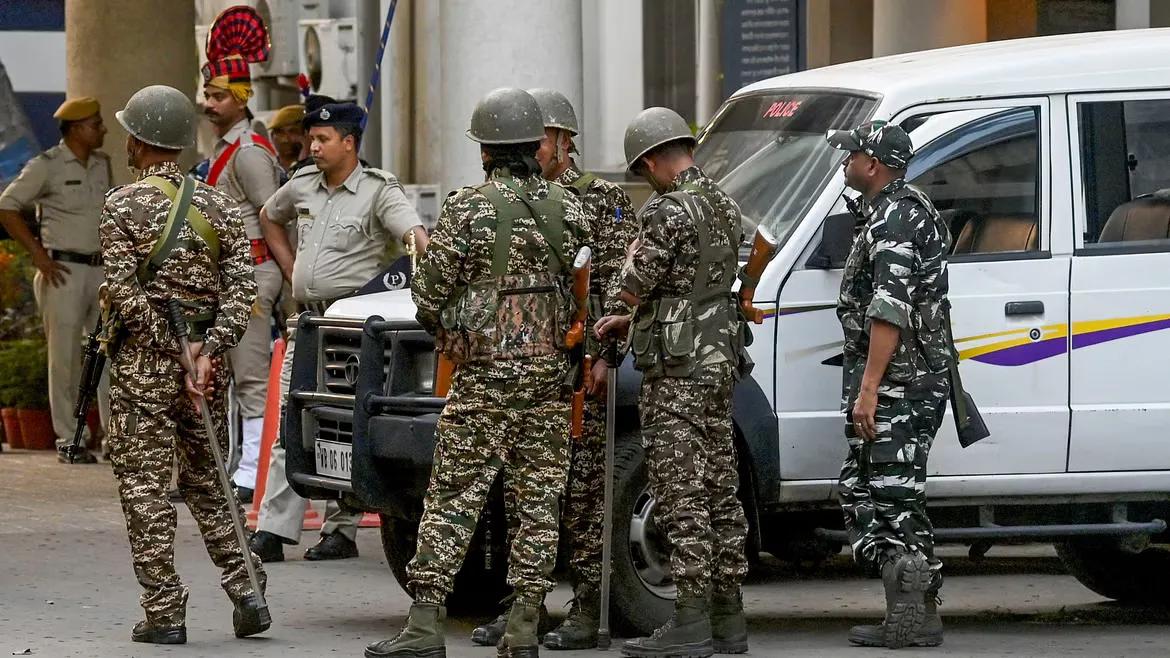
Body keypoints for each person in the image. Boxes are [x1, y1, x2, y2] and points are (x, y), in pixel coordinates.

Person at [365, 87, 588, 658]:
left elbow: (430, 292)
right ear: (536, 144)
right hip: (549, 381)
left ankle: (424, 625)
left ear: (487, 149)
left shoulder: (469, 208)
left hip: (484, 380)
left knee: (452, 499)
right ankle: (523, 627)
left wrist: (448, 329)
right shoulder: (570, 208)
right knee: (538, 505)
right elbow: (588, 289)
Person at [470, 88, 636, 651]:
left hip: (580, 372)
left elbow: (619, 288)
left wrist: (604, 356)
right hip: (524, 374)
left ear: (564, 141)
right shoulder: (511, 198)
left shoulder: (599, 200)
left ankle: (588, 608)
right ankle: (525, 606)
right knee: (527, 496)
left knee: (586, 494)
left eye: (542, 138)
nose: (533, 148)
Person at [100, 84, 267, 644]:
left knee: (146, 489)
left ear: (140, 140)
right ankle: (248, 591)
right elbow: (242, 290)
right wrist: (209, 347)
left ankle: (165, 613)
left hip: (143, 372)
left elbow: (122, 291)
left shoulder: (122, 206)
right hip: (204, 373)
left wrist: (168, 344)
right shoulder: (218, 204)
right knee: (210, 481)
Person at [595, 107, 750, 658]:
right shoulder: (725, 204)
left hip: (677, 369)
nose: (646, 179)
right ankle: (729, 618)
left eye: (643, 170)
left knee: (680, 490)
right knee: (719, 487)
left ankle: (689, 621)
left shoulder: (667, 210)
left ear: (656, 160)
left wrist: (622, 306)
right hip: (718, 361)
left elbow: (636, 280)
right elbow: (730, 268)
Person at [252, 101, 428, 562]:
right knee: (293, 423)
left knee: (344, 426)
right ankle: (273, 528)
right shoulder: (303, 184)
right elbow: (270, 216)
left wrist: (421, 274)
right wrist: (291, 268)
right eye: (311, 138)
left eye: (323, 139)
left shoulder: (378, 190)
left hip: (352, 331)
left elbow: (415, 238)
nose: (313, 146)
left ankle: (341, 530)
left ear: (349, 143)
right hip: (308, 322)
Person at [826, 121, 951, 649]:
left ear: (872, 164)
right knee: (882, 490)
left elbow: (889, 309)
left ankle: (908, 612)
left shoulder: (896, 219)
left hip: (901, 380)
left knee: (889, 494)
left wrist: (870, 388)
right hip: (908, 375)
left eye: (850, 153)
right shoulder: (893, 209)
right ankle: (919, 611)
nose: (844, 161)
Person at [199, 4, 284, 503]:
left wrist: (290, 273)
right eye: (207, 94)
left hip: (251, 274)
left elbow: (272, 217)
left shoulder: (250, 153)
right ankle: (239, 465)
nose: (207, 103)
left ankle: (251, 475)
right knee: (231, 377)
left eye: (215, 96)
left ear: (238, 99)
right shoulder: (220, 150)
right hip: (230, 274)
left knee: (251, 377)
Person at [0, 96, 111, 463]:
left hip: (101, 271)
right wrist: (38, 255)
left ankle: (113, 438)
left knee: (108, 355)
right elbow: (7, 206)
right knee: (64, 360)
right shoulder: (45, 165)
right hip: (61, 272)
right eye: (96, 124)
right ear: (77, 129)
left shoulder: (102, 164)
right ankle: (71, 438)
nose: (102, 130)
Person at [267, 104, 307, 172]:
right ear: (271, 136)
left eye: (293, 131)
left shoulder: (314, 166)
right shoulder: (267, 166)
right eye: (279, 132)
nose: (285, 139)